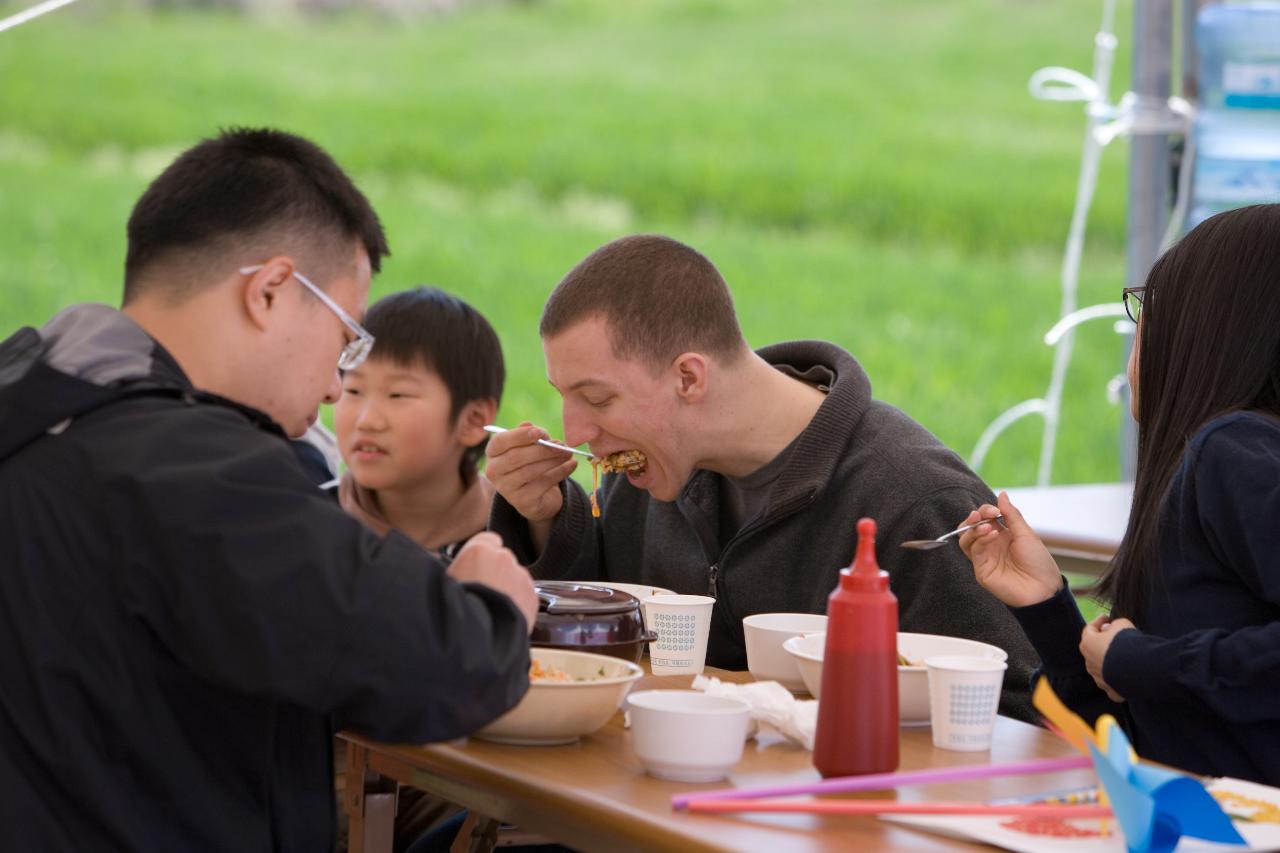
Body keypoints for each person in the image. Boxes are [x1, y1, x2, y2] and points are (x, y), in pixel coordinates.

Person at [0, 128, 538, 851]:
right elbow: (433, 665)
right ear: (271, 290)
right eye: (347, 340)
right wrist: (489, 604)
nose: (330, 386)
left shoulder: (37, 402)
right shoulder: (195, 467)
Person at [485, 233, 1040, 721]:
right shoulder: (645, 478)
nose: (576, 432)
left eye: (597, 398)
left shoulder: (914, 497)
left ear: (688, 377)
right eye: (565, 398)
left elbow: (1015, 716)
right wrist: (548, 522)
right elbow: (593, 653)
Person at [959, 203, 1280, 785]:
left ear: (1212, 330)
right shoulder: (1222, 460)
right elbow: (1145, 740)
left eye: (1149, 310)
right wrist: (1047, 607)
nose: (1138, 337)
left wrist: (1142, 662)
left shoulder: (1234, 452)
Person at [332, 286, 506, 852]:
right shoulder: (311, 530)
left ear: (473, 421)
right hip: (329, 784)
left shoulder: (508, 541)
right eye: (352, 390)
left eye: (398, 395)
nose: (366, 418)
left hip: (460, 785)